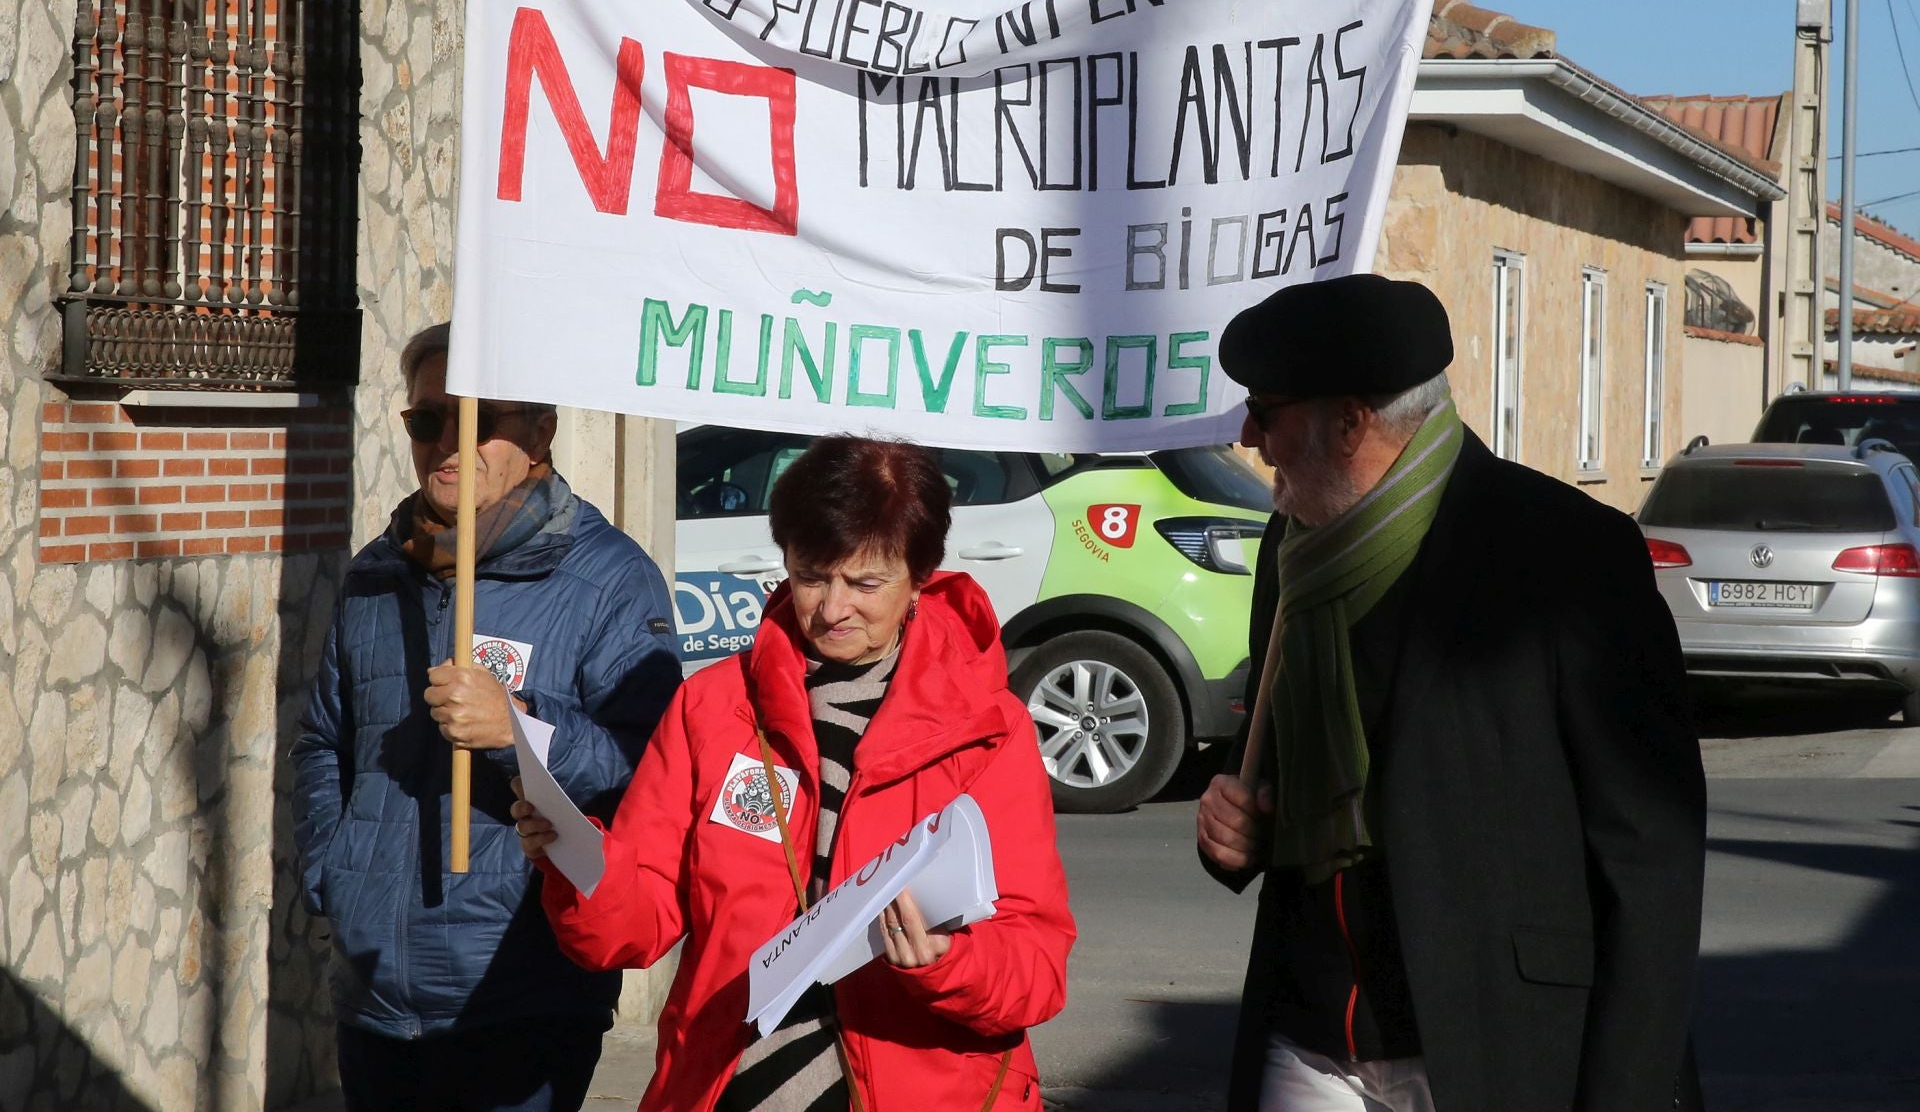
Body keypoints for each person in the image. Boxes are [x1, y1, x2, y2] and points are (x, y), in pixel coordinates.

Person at [1195, 275, 1706, 1112]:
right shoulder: (1293, 550)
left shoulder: (1568, 557)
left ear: (1351, 421)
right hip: (1310, 1042)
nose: (1252, 435)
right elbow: (1280, 780)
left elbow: (1651, 857)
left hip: (1495, 1050)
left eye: (1269, 408)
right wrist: (1242, 832)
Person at [512, 436, 1075, 1112]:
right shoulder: (713, 705)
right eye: (811, 575)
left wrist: (947, 963)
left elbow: (1035, 966)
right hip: (733, 1085)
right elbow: (638, 921)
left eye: (866, 583)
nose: (834, 608)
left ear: (920, 575)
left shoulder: (988, 729)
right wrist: (580, 863)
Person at [292, 322, 682, 1112]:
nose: (447, 443)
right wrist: (334, 872)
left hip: (520, 995)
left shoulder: (611, 581)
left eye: (477, 422)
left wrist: (520, 731)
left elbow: (650, 765)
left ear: (540, 433)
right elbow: (322, 741)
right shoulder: (377, 573)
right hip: (374, 994)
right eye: (427, 419)